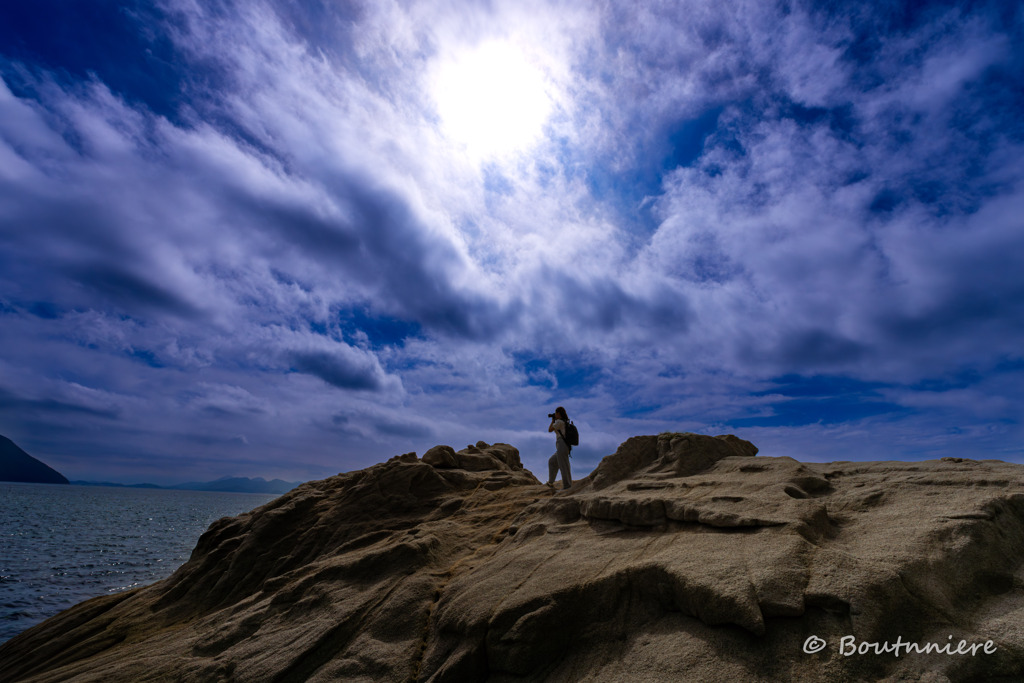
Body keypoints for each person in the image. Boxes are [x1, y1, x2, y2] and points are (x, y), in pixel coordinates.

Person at [545, 406, 573, 490]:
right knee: (552, 461)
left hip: (562, 444)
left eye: (556, 413)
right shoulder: (563, 421)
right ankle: (551, 482)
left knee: (563, 465)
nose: (555, 414)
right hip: (562, 445)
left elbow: (550, 429)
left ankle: (567, 486)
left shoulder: (560, 422)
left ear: (558, 414)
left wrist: (553, 420)